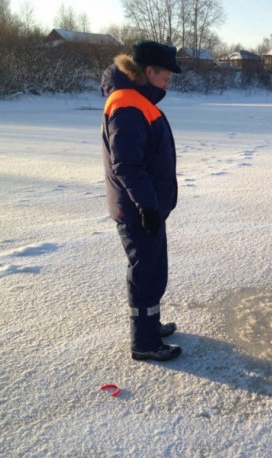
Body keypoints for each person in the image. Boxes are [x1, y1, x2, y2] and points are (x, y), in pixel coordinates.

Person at [101, 40, 182, 361]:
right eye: (166, 74)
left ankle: (150, 325)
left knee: (153, 269)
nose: (170, 81)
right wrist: (147, 206)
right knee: (146, 272)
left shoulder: (135, 99)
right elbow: (127, 164)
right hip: (138, 209)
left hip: (145, 206)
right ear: (149, 71)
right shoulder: (127, 104)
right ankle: (145, 343)